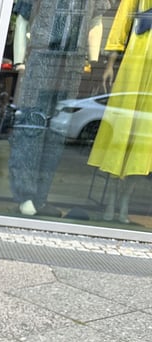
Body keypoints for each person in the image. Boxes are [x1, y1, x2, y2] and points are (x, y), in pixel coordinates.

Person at [87, 0, 152, 223]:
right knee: (122, 133)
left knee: (143, 143)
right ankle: (113, 200)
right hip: (135, 59)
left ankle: (124, 200)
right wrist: (109, 65)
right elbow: (123, 20)